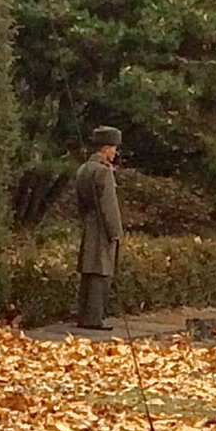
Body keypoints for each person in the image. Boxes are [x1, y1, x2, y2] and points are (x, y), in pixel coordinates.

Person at [75, 126, 125, 331]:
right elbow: (109, 207)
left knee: (88, 270)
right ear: (106, 148)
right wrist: (116, 232)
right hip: (102, 227)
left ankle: (84, 315)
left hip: (88, 223)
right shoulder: (104, 172)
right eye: (113, 148)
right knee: (101, 271)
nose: (115, 153)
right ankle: (94, 318)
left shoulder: (83, 169)